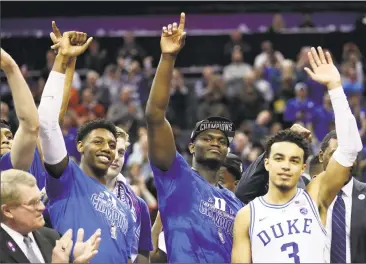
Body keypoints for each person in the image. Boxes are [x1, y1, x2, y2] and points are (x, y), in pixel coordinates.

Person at [231, 46, 363, 263]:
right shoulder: (247, 215)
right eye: (279, 158)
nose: (285, 165)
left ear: (303, 168)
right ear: (266, 163)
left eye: (294, 160)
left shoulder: (315, 196)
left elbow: (349, 150)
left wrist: (335, 88)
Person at [145, 13, 244, 263]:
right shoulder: (176, 175)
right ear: (191, 146)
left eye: (222, 141)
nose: (216, 143)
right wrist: (168, 58)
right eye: (208, 138)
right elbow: (155, 116)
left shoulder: (237, 204)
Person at [37, 30, 134, 263]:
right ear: (80, 146)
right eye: (98, 141)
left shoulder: (125, 210)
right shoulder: (67, 179)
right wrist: (62, 59)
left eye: (112, 144)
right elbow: (47, 124)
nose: (107, 149)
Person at [0, 24, 83, 191]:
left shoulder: (32, 154)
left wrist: (66, 59)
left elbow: (53, 115)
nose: (5, 139)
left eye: (9, 136)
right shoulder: (5, 168)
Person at [150, 153, 244, 263]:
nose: (211, 187)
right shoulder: (189, 216)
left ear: (236, 185)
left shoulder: (243, 217)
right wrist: (159, 221)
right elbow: (155, 257)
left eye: (220, 182)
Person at [0, 169, 101, 263]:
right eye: (32, 203)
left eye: (39, 200)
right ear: (8, 211)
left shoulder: (52, 238)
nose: (42, 207)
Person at [318, 131, 366, 263]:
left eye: (348, 156)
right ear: (321, 156)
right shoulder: (304, 198)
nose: (342, 161)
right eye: (334, 154)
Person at [105, 126, 153, 263]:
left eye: (121, 152)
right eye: (111, 149)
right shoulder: (78, 193)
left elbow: (142, 253)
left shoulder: (138, 205)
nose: (116, 157)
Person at [0, 48, 39, 176]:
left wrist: (11, 68)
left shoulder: (9, 164)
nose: (6, 141)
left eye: (9, 137)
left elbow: (32, 127)